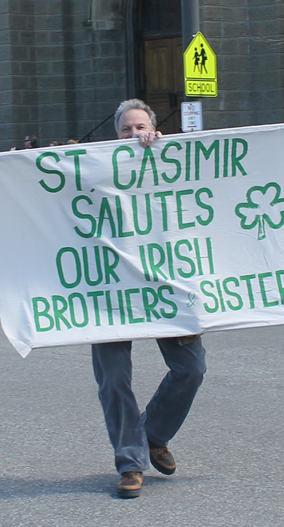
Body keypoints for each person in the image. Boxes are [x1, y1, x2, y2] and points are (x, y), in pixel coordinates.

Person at [92, 99, 206, 499]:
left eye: (141, 126)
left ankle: (153, 434)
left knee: (191, 369)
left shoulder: (169, 163)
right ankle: (130, 463)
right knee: (114, 379)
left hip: (166, 285)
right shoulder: (95, 167)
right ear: (116, 134)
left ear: (153, 129)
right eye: (126, 128)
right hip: (107, 291)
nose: (134, 133)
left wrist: (161, 149)